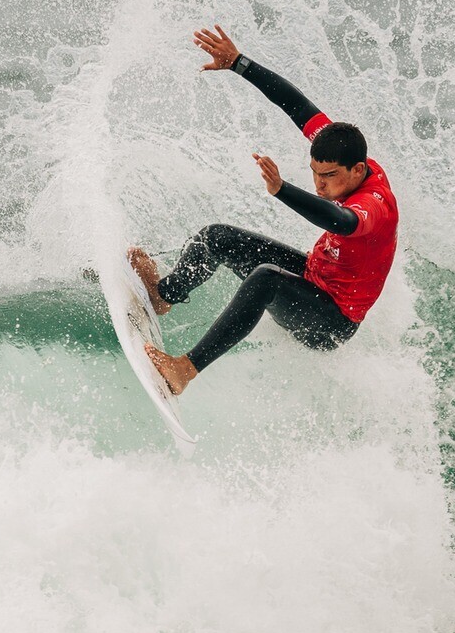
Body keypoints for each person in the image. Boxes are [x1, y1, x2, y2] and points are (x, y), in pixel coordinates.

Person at [130, 25, 399, 395]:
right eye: (315, 174)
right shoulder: (341, 153)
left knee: (266, 278)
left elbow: (339, 219)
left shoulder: (374, 204)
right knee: (216, 238)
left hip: (331, 321)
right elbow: (297, 106)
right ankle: (165, 296)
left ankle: (184, 371)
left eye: (330, 177)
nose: (321, 184)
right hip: (313, 275)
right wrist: (238, 63)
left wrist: (282, 190)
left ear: (358, 169)